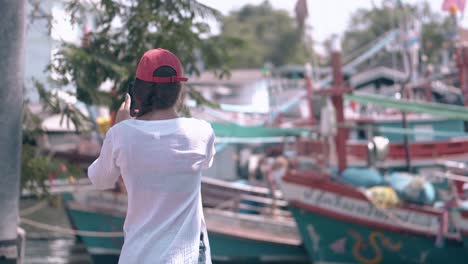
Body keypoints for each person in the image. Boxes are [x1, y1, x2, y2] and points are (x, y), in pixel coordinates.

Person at [87, 48, 215, 264]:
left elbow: (100, 180)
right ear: (178, 90)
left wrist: (120, 126)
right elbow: (206, 161)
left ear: (138, 91)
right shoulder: (201, 132)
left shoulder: (122, 134)